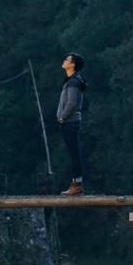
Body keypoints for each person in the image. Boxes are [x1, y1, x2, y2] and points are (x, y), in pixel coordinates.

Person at [56, 52, 88, 195]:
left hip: (70, 122)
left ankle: (77, 184)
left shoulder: (74, 82)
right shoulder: (71, 81)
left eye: (67, 60)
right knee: (73, 153)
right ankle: (76, 183)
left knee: (74, 154)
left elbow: (72, 103)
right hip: (69, 122)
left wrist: (62, 117)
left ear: (73, 65)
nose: (64, 61)